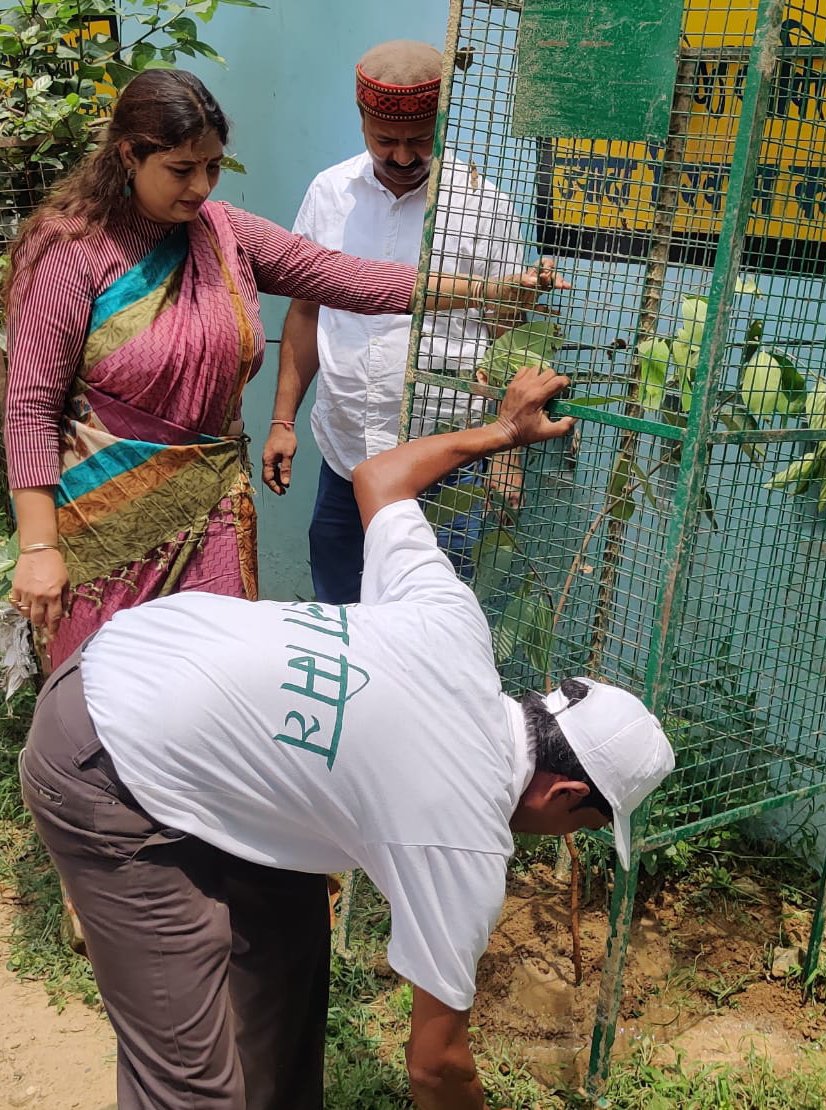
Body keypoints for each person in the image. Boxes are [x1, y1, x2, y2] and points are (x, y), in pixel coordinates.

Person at [21, 366, 675, 1110]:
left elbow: (379, 477)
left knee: (290, 933)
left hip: (148, 654)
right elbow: (437, 1067)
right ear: (565, 793)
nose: (565, 838)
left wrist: (503, 431)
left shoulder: (456, 627)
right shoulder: (464, 838)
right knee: (190, 1085)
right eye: (585, 826)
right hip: (102, 753)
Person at [3, 67, 550, 668]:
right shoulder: (70, 249)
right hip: (104, 519)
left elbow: (345, 278)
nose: (201, 187)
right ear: (130, 155)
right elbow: (31, 406)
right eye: (181, 170)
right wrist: (38, 547)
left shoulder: (223, 234)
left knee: (216, 678)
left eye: (213, 167)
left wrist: (487, 291)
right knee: (106, 680)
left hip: (211, 511)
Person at [262, 40, 530, 602]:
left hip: (446, 460)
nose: (404, 157)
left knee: (432, 614)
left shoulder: (482, 205)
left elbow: (510, 334)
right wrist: (283, 420)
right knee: (339, 609)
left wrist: (507, 453)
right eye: (385, 140)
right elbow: (306, 310)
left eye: (419, 140)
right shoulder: (329, 193)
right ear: (361, 119)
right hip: (346, 453)